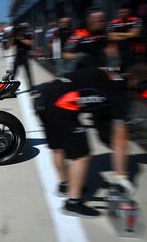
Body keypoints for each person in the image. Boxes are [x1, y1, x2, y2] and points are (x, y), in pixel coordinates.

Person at [34, 67, 138, 218]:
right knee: (82, 156)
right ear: (135, 85)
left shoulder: (109, 73)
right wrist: (121, 176)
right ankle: (73, 203)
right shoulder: (121, 91)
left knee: (59, 148)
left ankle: (65, 186)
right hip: (62, 106)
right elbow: (120, 136)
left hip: (43, 99)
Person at [107, 4, 142, 73]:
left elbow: (134, 34)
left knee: (129, 71)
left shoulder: (136, 20)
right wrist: (127, 34)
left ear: (129, 11)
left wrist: (116, 34)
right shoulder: (113, 22)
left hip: (130, 50)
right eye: (120, 13)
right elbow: (110, 36)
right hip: (116, 51)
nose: (122, 14)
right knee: (115, 72)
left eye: (125, 12)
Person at [3, 22, 34, 89]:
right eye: (20, 29)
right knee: (14, 73)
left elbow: (30, 43)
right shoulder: (15, 37)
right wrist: (12, 37)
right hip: (18, 56)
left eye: (23, 29)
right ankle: (11, 88)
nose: (21, 30)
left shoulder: (26, 35)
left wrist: (21, 38)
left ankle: (32, 88)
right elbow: (8, 47)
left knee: (28, 74)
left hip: (25, 56)